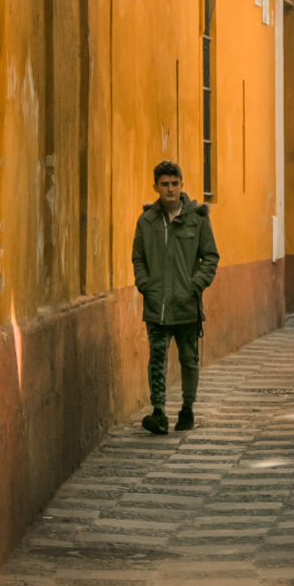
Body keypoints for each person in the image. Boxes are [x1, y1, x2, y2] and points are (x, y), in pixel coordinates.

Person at [131, 161, 219, 433]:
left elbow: (211, 257)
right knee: (157, 357)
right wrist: (145, 285)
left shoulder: (198, 219)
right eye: (164, 184)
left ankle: (187, 409)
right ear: (155, 187)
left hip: (186, 305)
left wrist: (194, 286)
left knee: (189, 359)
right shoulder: (147, 221)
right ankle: (158, 412)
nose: (170, 189)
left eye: (174, 183)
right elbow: (138, 258)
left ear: (181, 185)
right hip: (156, 304)